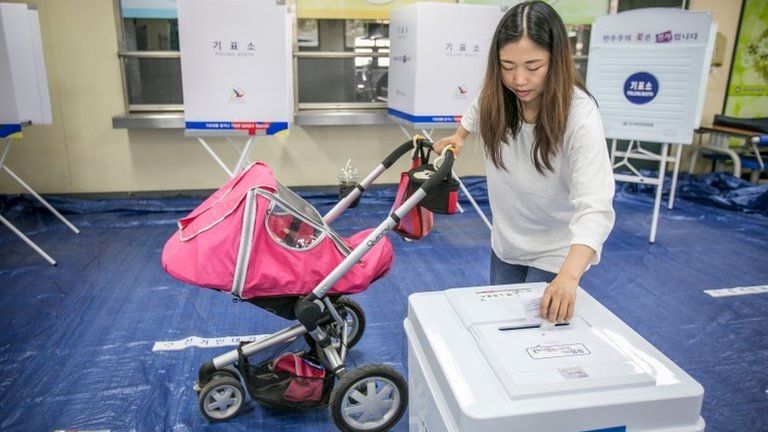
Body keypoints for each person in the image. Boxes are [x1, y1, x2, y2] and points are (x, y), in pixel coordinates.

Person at [433, 1, 615, 324]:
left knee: (534, 335)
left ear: (556, 61)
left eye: (533, 67)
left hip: (555, 253)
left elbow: (596, 207)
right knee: (502, 326)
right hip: (505, 243)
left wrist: (569, 277)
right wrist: (459, 136)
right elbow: (477, 108)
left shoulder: (580, 115)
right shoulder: (496, 96)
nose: (519, 80)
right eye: (507, 66)